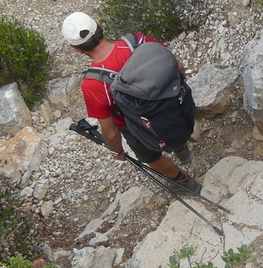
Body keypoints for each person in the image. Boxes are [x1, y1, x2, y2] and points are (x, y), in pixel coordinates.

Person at [62, 12, 200, 192]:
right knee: (171, 122)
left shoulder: (93, 84)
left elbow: (110, 131)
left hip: (137, 126)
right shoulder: (137, 41)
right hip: (172, 102)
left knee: (150, 157)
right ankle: (183, 152)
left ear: (76, 49)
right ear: (99, 25)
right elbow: (178, 66)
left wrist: (117, 151)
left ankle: (185, 183)